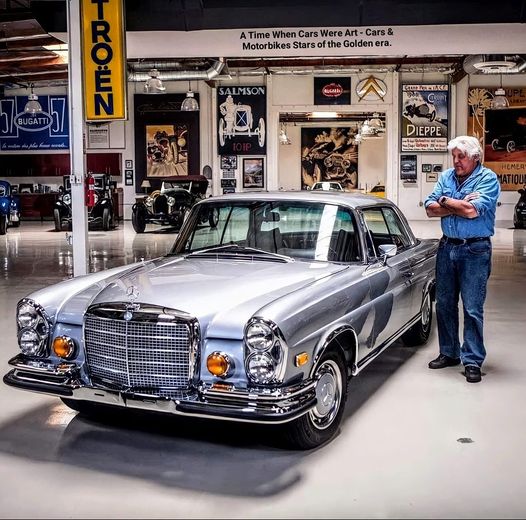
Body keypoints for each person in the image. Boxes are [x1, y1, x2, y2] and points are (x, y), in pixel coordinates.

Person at [424, 135, 500, 383]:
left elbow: (471, 212)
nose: (456, 161)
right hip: (447, 248)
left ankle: (473, 360)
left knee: (472, 307)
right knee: (444, 303)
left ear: (475, 157)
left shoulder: (487, 179)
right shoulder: (446, 177)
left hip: (475, 251)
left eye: (461, 157)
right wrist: (454, 203)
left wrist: (445, 202)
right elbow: (429, 208)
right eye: (454, 156)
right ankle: (449, 353)